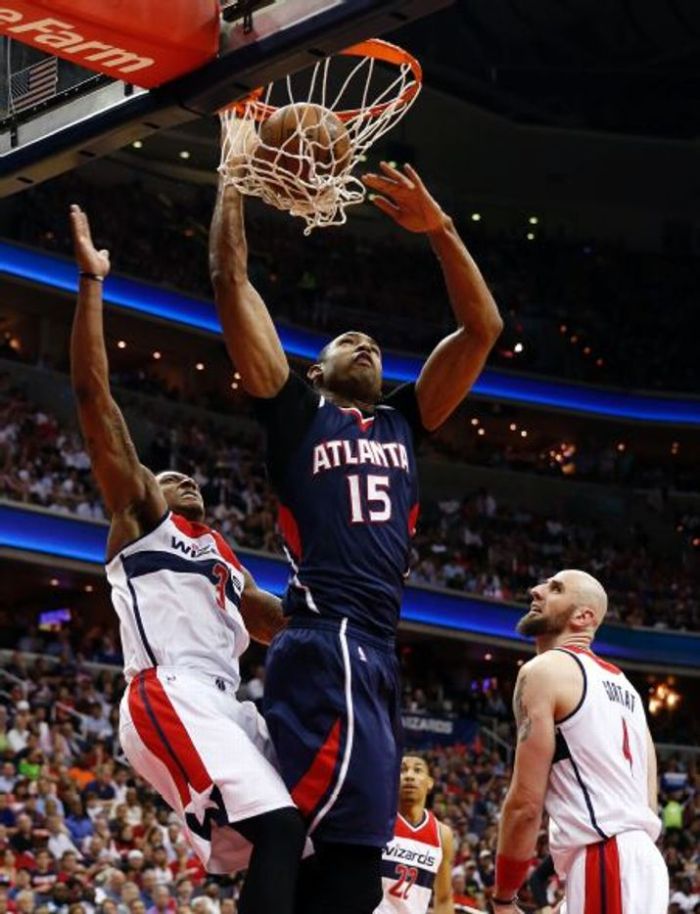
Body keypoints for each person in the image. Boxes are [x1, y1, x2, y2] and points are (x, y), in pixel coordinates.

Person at [209, 162, 502, 914]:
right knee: (300, 838)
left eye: (373, 342)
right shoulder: (299, 414)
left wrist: (439, 230)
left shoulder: (406, 421)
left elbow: (482, 329)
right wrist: (232, 177)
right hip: (331, 644)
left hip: (372, 654)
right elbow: (231, 283)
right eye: (348, 340)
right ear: (318, 367)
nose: (366, 343)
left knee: (350, 862)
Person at [68, 205, 305, 914]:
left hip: (227, 703)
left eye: (190, 477)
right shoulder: (142, 517)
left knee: (308, 835)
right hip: (169, 690)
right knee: (284, 828)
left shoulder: (226, 560)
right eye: (171, 476)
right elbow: (92, 398)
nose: (185, 478)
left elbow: (283, 624)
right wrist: (90, 282)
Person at [491, 569, 668, 914]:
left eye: (555, 588)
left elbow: (525, 805)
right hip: (641, 862)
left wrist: (504, 897)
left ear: (583, 616)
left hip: (607, 858)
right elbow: (648, 803)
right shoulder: (628, 692)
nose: (536, 590)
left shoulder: (544, 671)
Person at [375, 755, 454, 914]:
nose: (409, 776)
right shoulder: (375, 820)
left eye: (418, 770)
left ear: (430, 782)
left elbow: (444, 898)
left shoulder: (442, 834)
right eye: (402, 770)